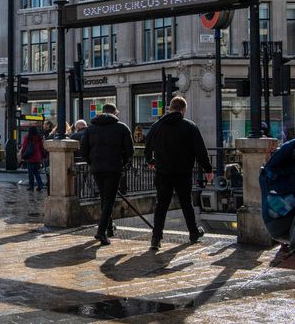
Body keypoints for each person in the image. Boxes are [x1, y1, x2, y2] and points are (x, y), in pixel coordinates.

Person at [144, 96, 213, 251]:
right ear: (183, 109)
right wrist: (208, 169)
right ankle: (193, 233)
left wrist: (151, 161)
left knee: (161, 205)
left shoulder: (157, 126)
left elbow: (147, 146)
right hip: (183, 172)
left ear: (170, 108)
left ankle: (156, 239)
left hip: (163, 172)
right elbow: (200, 151)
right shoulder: (190, 126)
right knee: (186, 203)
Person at [81, 104, 134, 246]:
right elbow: (130, 151)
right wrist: (122, 164)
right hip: (114, 168)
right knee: (109, 199)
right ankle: (101, 231)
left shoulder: (90, 129)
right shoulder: (122, 127)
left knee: (105, 198)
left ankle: (109, 228)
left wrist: (92, 162)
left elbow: (83, 151)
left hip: (97, 168)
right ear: (115, 113)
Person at [21, 126, 45, 191]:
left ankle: (31, 187)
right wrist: (42, 156)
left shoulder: (27, 138)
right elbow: (41, 148)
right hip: (37, 157)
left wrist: (22, 155)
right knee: (36, 172)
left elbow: (24, 147)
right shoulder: (39, 138)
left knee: (30, 173)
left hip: (30, 157)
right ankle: (40, 185)